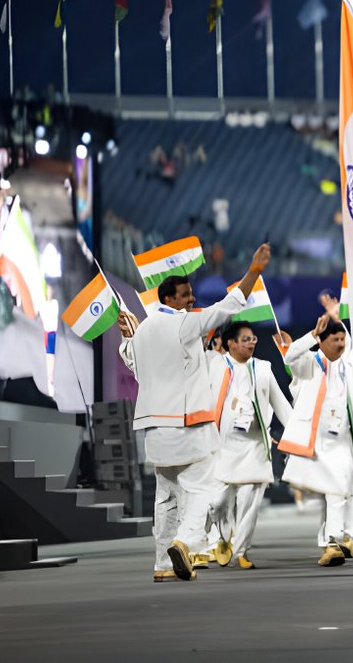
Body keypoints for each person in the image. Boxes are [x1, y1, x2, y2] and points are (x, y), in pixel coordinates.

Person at [117, 243, 271, 582]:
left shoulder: (141, 332)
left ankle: (161, 565)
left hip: (153, 430)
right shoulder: (183, 324)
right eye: (186, 295)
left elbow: (136, 367)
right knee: (207, 485)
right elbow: (226, 307)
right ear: (169, 299)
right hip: (186, 424)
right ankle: (185, 543)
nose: (191, 300)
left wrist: (128, 338)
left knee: (166, 497)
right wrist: (253, 272)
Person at [278, 314, 353, 566]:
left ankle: (333, 541)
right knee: (333, 491)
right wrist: (311, 336)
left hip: (342, 441)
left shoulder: (349, 369)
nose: (341, 344)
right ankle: (333, 539)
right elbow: (290, 356)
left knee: (338, 490)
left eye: (342, 339)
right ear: (322, 341)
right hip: (316, 442)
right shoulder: (309, 364)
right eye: (335, 339)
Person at [205, 321, 292, 569]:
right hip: (223, 446)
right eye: (245, 339)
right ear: (229, 343)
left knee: (249, 503)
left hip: (255, 446)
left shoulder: (263, 369)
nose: (251, 342)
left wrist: (297, 437)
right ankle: (222, 536)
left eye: (253, 338)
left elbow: (281, 405)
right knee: (218, 501)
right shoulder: (215, 366)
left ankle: (242, 550)